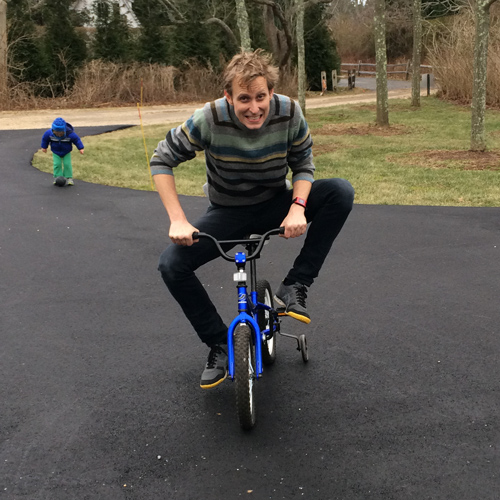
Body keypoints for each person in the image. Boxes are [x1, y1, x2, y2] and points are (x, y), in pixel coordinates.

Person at [151, 49, 354, 389]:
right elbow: (162, 160)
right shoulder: (210, 117)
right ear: (228, 96)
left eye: (261, 97)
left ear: (271, 93)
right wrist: (177, 219)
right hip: (228, 213)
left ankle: (294, 286)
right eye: (244, 98)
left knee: (339, 192)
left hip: (276, 202)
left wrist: (297, 208)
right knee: (171, 265)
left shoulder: (289, 112)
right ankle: (219, 344)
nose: (254, 107)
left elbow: (303, 162)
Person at [41, 117, 84, 186]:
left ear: (64, 130)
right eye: (56, 132)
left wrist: (80, 148)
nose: (58, 134)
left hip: (66, 151)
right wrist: (44, 147)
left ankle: (69, 178)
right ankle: (58, 177)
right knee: (57, 164)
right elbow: (45, 139)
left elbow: (77, 140)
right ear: (53, 130)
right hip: (56, 151)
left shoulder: (70, 134)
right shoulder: (49, 133)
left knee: (67, 164)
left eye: (61, 133)